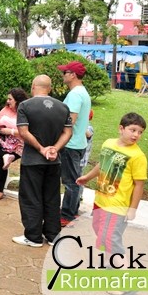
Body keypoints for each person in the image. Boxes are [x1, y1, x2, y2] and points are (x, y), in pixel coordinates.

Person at [76, 112, 147, 295]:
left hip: (117, 206)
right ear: (121, 128)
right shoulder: (108, 144)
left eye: (140, 132)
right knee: (102, 235)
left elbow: (139, 185)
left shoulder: (138, 156)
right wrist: (87, 177)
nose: (136, 135)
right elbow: (102, 165)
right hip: (101, 201)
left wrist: (133, 209)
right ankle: (111, 268)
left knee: (110, 240)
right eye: (133, 130)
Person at [13, 75, 72, 247]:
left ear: (33, 86)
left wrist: (41, 148)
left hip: (32, 160)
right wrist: (55, 148)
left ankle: (33, 236)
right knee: (52, 197)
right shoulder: (63, 107)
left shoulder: (25, 106)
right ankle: (53, 235)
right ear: (50, 88)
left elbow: (23, 132)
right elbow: (68, 132)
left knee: (31, 197)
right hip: (54, 161)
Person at [57, 61, 91, 227]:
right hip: (78, 143)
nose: (63, 75)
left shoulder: (75, 94)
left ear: (73, 75)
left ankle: (67, 215)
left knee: (71, 182)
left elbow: (70, 120)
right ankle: (72, 210)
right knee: (75, 179)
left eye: (65, 72)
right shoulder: (82, 92)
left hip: (71, 144)